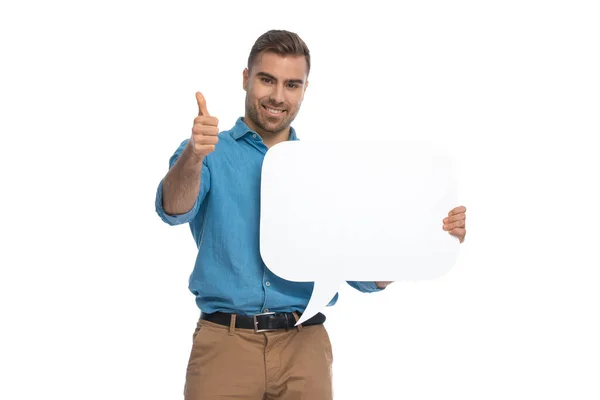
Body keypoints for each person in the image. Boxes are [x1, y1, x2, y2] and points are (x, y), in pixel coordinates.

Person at [155, 29, 467, 400]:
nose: (277, 96)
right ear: (245, 79)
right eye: (266, 80)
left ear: (304, 90)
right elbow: (173, 209)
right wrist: (194, 154)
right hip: (226, 343)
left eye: (292, 84)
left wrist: (429, 236)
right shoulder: (208, 152)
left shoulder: (323, 170)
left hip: (304, 347)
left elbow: (363, 276)